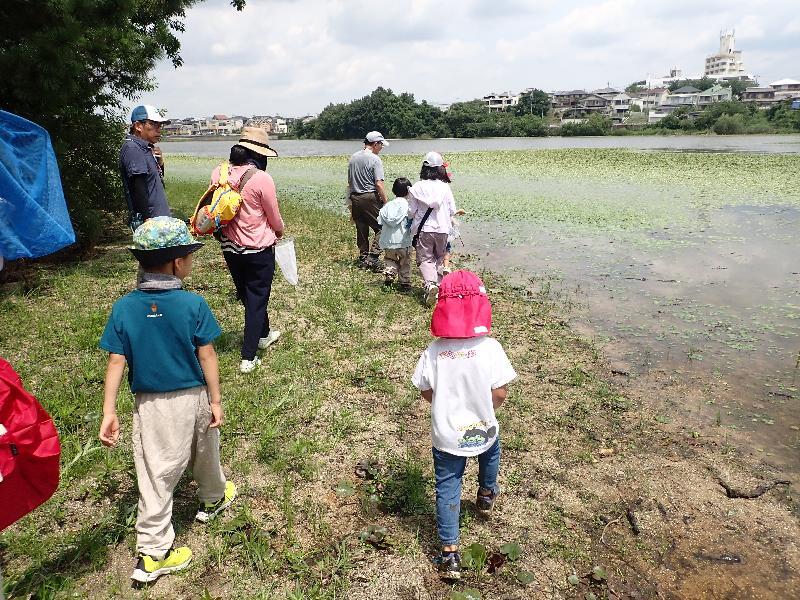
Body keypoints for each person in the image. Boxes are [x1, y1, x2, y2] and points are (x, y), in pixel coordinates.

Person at [98, 217, 236, 584]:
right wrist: (216, 400)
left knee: (156, 471)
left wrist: (109, 411)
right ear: (177, 262)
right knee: (205, 449)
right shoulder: (193, 304)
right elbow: (207, 355)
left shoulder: (124, 308)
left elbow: (116, 361)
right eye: (189, 256)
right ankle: (157, 551)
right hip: (195, 395)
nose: (191, 262)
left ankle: (163, 540)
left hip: (151, 404)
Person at [411, 270, 516, 581]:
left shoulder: (434, 351)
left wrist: (443, 405)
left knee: (447, 486)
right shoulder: (491, 348)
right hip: (483, 426)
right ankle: (486, 492)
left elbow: (425, 389)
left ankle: (449, 553)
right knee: (490, 453)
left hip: (446, 434)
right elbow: (500, 392)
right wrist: (486, 409)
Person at [213, 127, 285, 374]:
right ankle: (248, 357)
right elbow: (273, 217)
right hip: (257, 248)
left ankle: (264, 333)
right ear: (259, 154)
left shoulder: (219, 172)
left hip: (229, 246)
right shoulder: (261, 178)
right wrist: (279, 231)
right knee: (257, 298)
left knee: (248, 294)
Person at [408, 152, 456, 306]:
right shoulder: (445, 187)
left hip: (425, 229)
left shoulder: (417, 187)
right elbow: (452, 210)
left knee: (425, 259)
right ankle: (439, 288)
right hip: (443, 229)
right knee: (439, 258)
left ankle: (430, 285)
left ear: (424, 168)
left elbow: (411, 212)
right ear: (440, 169)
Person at [120, 104, 171, 231]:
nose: (159, 129)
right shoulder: (133, 148)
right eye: (153, 124)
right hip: (152, 224)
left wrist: (160, 163)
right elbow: (138, 186)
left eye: (160, 125)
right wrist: (147, 220)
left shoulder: (146, 148)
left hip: (160, 219)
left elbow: (155, 182)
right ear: (138, 126)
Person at [348, 131, 389, 271]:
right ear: (375, 144)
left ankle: (363, 257)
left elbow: (350, 182)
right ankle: (373, 257)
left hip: (355, 197)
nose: (381, 148)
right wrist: (386, 202)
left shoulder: (353, 157)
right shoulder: (375, 159)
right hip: (369, 197)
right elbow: (379, 184)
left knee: (361, 228)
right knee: (383, 227)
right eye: (381, 145)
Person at [378, 177, 413, 291]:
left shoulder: (387, 206)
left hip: (388, 240)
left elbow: (380, 221)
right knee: (405, 262)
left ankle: (390, 274)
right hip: (403, 241)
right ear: (409, 191)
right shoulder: (408, 206)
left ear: (393, 190)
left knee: (390, 259)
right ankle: (405, 283)